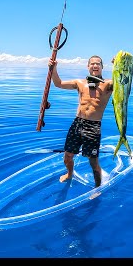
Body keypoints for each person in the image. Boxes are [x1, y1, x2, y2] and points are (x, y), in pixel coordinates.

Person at [48, 55, 113, 192]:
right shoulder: (80, 83)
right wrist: (53, 68)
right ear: (88, 66)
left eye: (98, 64)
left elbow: (123, 83)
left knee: (93, 161)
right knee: (67, 156)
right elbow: (58, 83)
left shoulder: (108, 84)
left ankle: (97, 188)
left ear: (102, 67)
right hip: (77, 123)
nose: (95, 66)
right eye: (92, 63)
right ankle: (70, 174)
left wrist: (118, 65)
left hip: (93, 126)